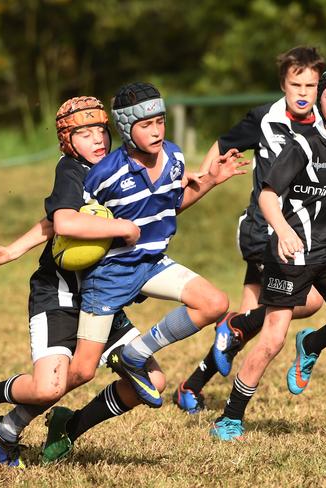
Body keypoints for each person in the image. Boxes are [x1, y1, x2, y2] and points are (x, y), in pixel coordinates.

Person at [0, 96, 157, 468]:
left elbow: (160, 204)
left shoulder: (118, 169)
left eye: (101, 131)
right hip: (59, 294)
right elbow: (59, 221)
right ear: (67, 140)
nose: (97, 140)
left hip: (102, 297)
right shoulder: (71, 170)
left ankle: (67, 426)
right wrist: (14, 251)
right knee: (50, 386)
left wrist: (205, 181)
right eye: (84, 133)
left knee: (152, 383)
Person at [210, 62, 326, 441]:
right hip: (293, 251)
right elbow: (267, 195)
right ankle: (230, 416)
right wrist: (281, 231)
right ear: (320, 99)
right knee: (271, 340)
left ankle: (312, 343)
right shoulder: (302, 144)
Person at [173, 46, 326, 413]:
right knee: (308, 300)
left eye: (311, 84)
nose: (304, 92)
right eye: (297, 84)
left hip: (300, 235)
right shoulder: (264, 118)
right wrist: (203, 172)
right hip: (266, 232)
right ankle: (234, 329)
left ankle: (191, 386)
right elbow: (223, 144)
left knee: (247, 324)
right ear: (283, 84)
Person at [74, 82, 247, 412]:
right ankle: (13, 418)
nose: (156, 131)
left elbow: (170, 206)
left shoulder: (175, 157)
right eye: (145, 124)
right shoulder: (103, 175)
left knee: (214, 303)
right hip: (109, 275)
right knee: (81, 371)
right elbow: (75, 223)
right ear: (126, 128)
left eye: (160, 121)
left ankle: (134, 354)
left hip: (151, 262)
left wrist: (210, 180)